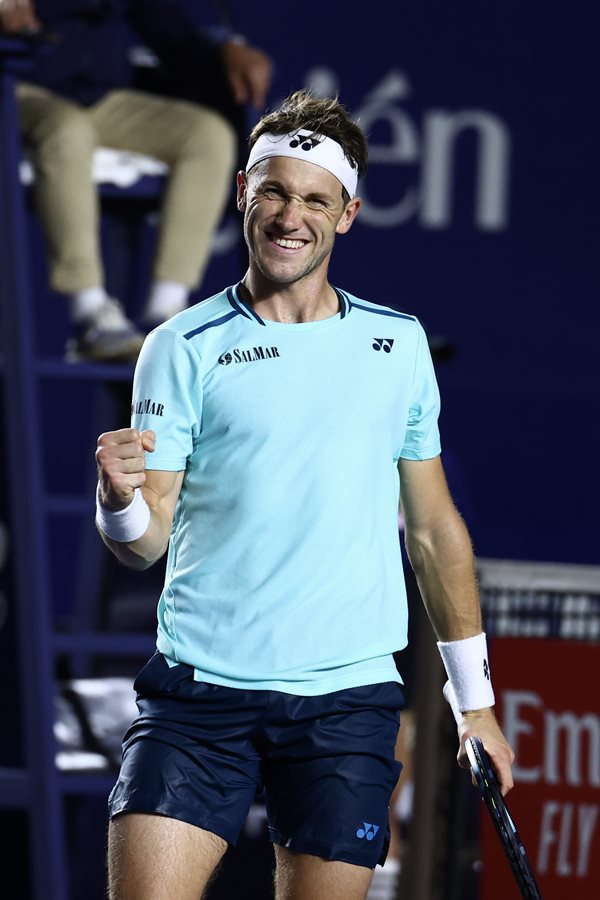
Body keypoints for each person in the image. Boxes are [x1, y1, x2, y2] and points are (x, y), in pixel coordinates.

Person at [95, 89, 515, 900]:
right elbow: (146, 543)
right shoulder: (179, 347)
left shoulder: (397, 345)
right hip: (199, 695)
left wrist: (475, 705)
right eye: (275, 192)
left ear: (348, 214)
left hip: (344, 705)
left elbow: (433, 531)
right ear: (243, 194)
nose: (292, 217)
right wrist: (118, 502)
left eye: (316, 200)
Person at [0, 0, 272, 361]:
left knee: (206, 135)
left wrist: (222, 52)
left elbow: (168, 30)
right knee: (68, 130)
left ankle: (168, 314)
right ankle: (89, 315)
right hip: (18, 86)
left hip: (97, 97)